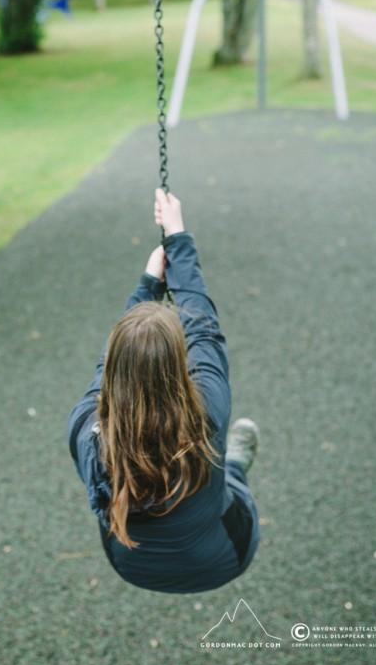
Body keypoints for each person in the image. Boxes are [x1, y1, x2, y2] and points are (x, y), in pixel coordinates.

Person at [68, 189, 260, 593]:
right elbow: (202, 323)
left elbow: (107, 365)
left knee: (209, 473)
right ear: (178, 363)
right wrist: (177, 236)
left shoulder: (86, 431)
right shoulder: (207, 410)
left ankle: (233, 468)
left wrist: (147, 283)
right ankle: (237, 468)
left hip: (131, 566)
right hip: (225, 559)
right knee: (227, 478)